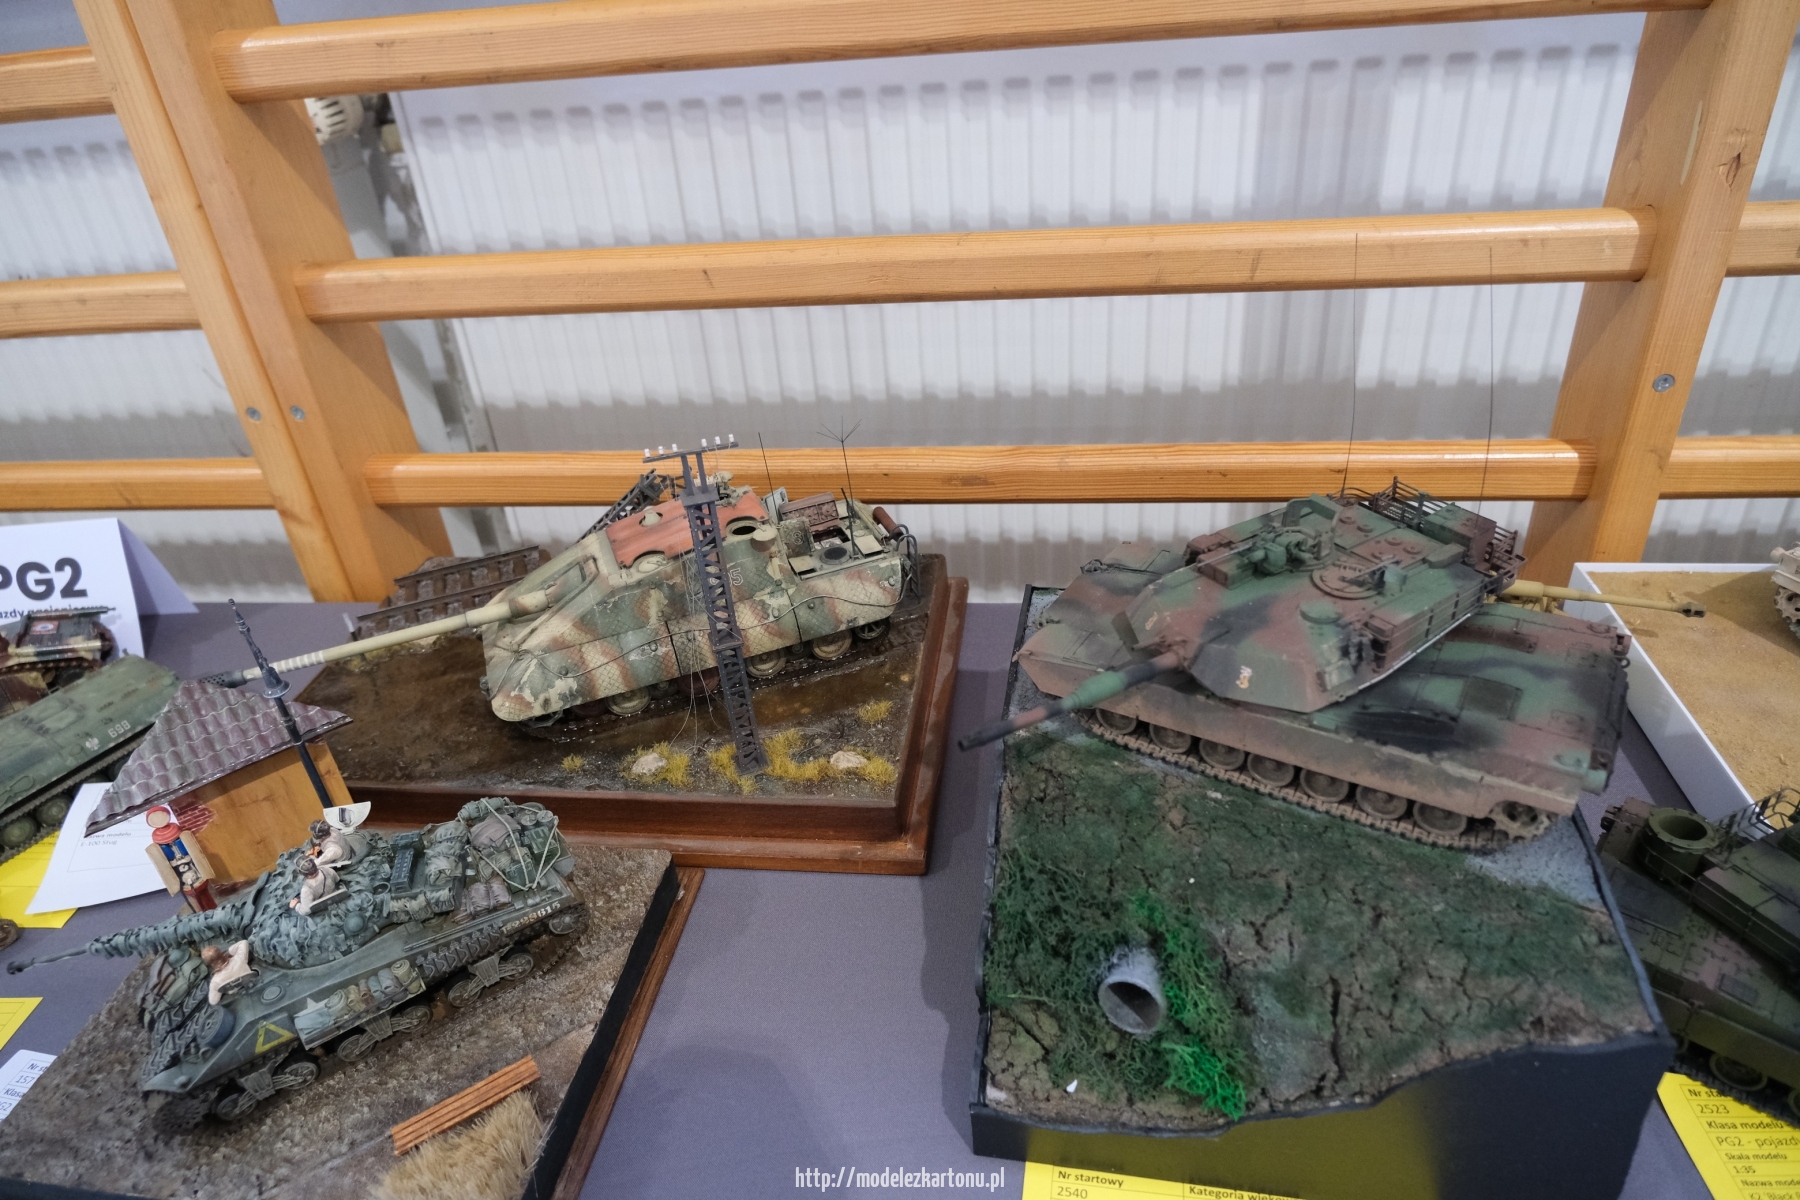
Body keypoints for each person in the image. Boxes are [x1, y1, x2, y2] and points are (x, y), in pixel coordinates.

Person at [200, 940, 255, 1005]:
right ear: (221, 952)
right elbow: (244, 942)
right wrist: (230, 951)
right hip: (253, 985)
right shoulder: (239, 958)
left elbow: (213, 1001)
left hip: (239, 1000)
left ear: (209, 964)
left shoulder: (215, 982)